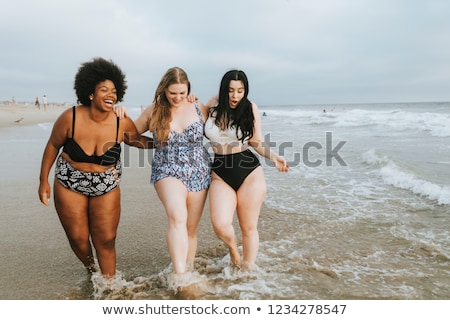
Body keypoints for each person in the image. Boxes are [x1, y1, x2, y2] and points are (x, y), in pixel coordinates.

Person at [38, 57, 153, 278]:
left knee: (106, 239)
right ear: (91, 93)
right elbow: (53, 145)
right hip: (69, 180)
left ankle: (109, 286)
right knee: (78, 239)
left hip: (106, 183)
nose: (111, 95)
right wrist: (43, 180)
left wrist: (165, 142)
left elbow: (137, 140)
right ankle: (93, 271)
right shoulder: (70, 118)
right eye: (104, 90)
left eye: (114, 91)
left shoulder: (121, 122)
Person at [204, 70, 289, 271]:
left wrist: (274, 157)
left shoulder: (250, 108)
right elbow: (191, 114)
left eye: (240, 91)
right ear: (224, 89)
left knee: (248, 227)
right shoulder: (213, 106)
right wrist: (190, 98)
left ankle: (248, 272)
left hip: (248, 172)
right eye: (231, 90)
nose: (235, 96)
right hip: (220, 173)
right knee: (220, 223)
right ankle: (234, 250)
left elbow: (256, 141)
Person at [133, 67, 211, 280]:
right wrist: (155, 145)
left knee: (190, 229)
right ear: (164, 90)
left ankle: (188, 268)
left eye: (182, 93)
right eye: (172, 93)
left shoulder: (197, 106)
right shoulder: (154, 109)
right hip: (166, 168)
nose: (177, 97)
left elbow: (220, 126)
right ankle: (180, 277)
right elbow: (129, 134)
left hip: (199, 170)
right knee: (177, 217)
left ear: (188, 90)